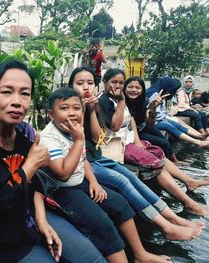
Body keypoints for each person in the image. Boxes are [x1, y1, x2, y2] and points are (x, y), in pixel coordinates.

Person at [0, 60, 106, 263]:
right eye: (7, 92)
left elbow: (34, 184)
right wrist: (31, 164)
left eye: (24, 94)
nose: (17, 101)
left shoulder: (25, 133)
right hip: (4, 240)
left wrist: (41, 220)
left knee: (94, 258)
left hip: (30, 220)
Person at [68, 67, 202, 241]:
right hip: (86, 160)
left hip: (96, 155)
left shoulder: (95, 105)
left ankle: (172, 217)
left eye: (90, 83)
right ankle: (166, 225)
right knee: (122, 180)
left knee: (133, 178)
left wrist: (91, 110)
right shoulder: (70, 107)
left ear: (96, 85)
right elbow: (85, 140)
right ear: (71, 86)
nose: (86, 87)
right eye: (80, 83)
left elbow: (95, 136)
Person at [40, 87, 172, 263]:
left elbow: (82, 159)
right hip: (61, 191)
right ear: (51, 114)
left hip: (79, 182)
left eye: (76, 108)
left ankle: (140, 254)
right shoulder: (50, 138)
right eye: (64, 108)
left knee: (119, 203)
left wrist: (94, 181)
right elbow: (63, 174)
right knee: (102, 224)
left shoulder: (73, 129)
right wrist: (79, 140)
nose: (71, 114)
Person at [98, 69, 209, 216]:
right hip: (114, 146)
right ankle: (188, 202)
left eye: (120, 82)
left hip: (127, 140)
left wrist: (138, 139)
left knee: (157, 151)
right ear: (105, 82)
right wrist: (122, 101)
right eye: (113, 82)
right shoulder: (105, 100)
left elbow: (131, 119)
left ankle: (189, 181)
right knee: (154, 163)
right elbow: (114, 126)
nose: (117, 86)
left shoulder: (120, 98)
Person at [145, 77, 209, 147]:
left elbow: (162, 111)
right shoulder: (154, 94)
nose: (173, 91)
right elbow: (153, 112)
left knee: (177, 124)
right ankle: (197, 142)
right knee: (169, 126)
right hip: (153, 121)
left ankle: (200, 136)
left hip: (161, 117)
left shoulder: (161, 93)